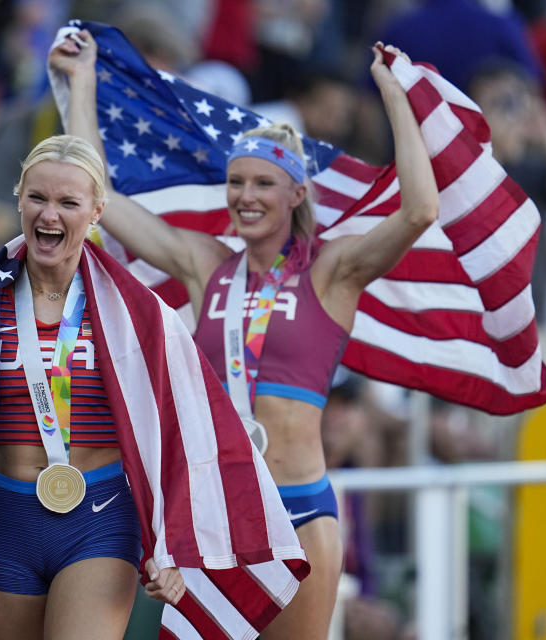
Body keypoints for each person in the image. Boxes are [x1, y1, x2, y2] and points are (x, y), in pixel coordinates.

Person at [50, 32, 439, 640]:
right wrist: (81, 84)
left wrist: (395, 95)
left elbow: (418, 211)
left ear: (297, 193)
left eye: (263, 184)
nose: (247, 197)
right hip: (215, 513)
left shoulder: (331, 271)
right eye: (238, 183)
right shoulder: (206, 265)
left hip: (298, 507)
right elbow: (103, 200)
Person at [0, 134, 307, 640]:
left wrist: (174, 540)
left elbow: (189, 427)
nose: (50, 215)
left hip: (99, 518)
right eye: (38, 199)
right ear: (18, 199)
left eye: (68, 203)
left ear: (96, 211)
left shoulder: (139, 311)